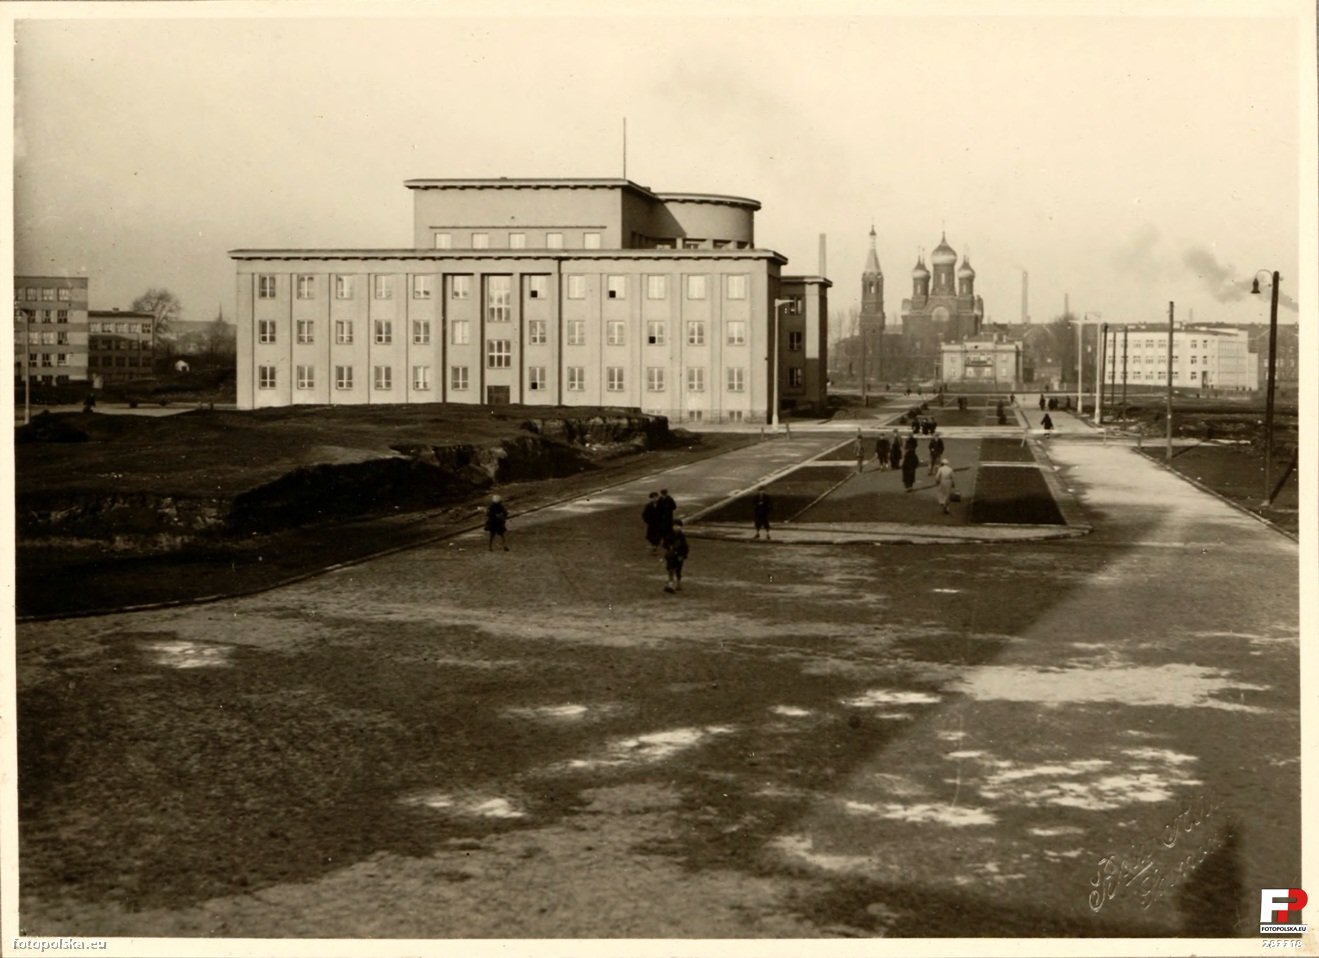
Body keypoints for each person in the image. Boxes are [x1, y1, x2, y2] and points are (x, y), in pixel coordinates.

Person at [662, 519, 689, 593]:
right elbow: (664, 544)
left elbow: (685, 547)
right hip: (671, 556)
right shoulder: (669, 535)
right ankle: (670, 584)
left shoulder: (682, 537)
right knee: (670, 569)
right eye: (675, 526)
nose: (676, 527)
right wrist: (669, 547)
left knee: (678, 570)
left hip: (679, 556)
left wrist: (682, 555)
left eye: (678, 526)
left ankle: (678, 583)